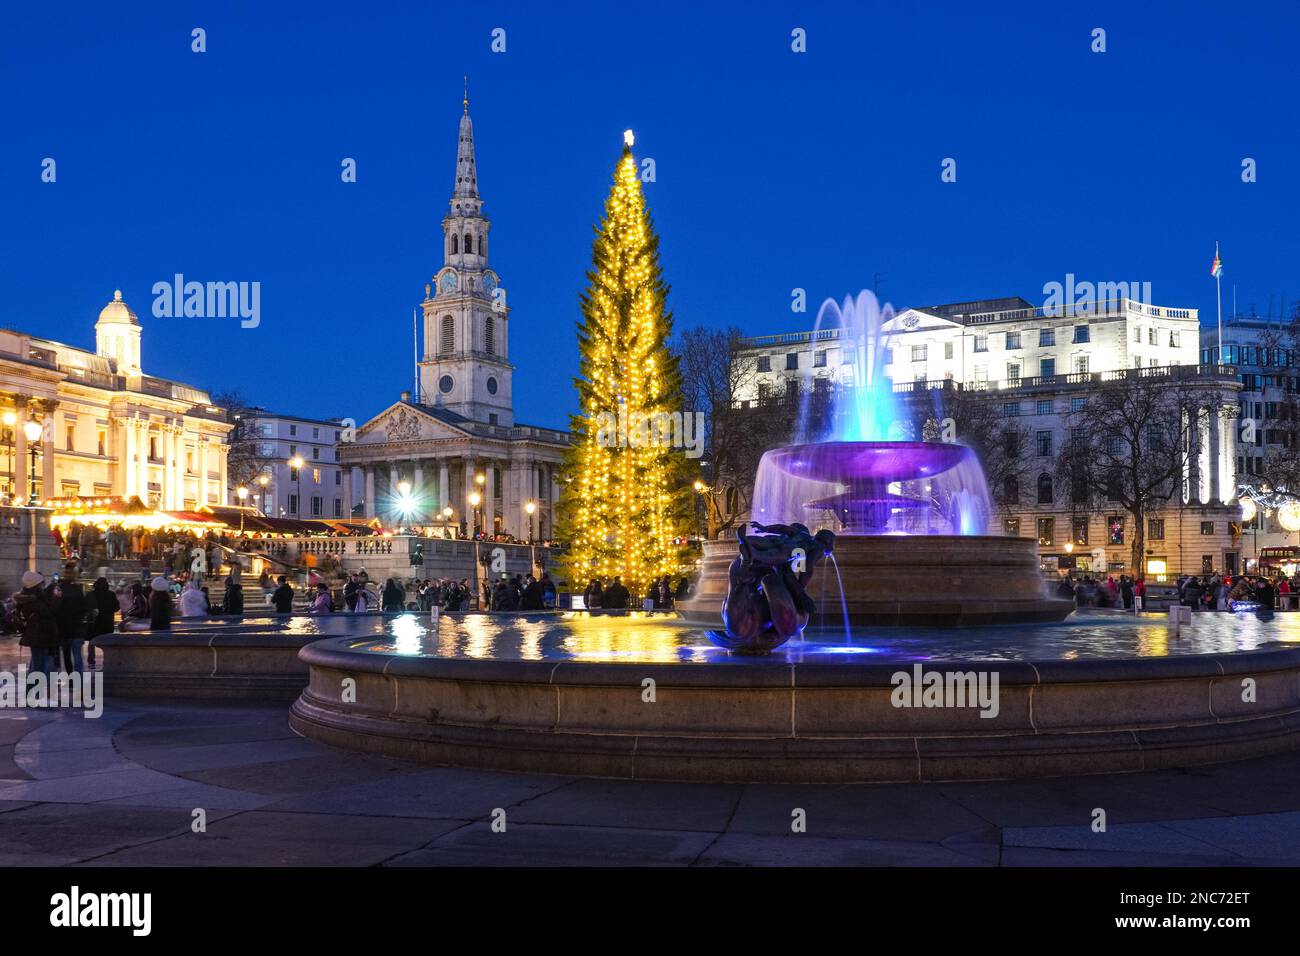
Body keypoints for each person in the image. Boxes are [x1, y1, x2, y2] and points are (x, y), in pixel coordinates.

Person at [14, 570, 60, 677]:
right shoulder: (33, 600)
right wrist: (56, 598)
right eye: (41, 583)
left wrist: (52, 586)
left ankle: (34, 692)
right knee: (38, 669)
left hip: (37, 636)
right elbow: (49, 612)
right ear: (36, 585)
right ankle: (32, 692)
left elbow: (43, 598)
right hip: (39, 636)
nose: (42, 585)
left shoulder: (30, 596)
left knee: (37, 666)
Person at [50, 565, 89, 674]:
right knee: (77, 657)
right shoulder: (78, 589)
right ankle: (77, 679)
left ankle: (72, 677)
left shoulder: (59, 589)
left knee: (68, 656)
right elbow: (84, 607)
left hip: (64, 628)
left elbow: (54, 607)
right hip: (75, 627)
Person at [88, 577, 118, 669]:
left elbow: (86, 606)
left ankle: (91, 662)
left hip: (95, 622)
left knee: (92, 642)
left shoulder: (91, 594)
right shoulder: (111, 594)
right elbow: (116, 608)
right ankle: (107, 662)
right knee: (108, 643)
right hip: (107, 622)